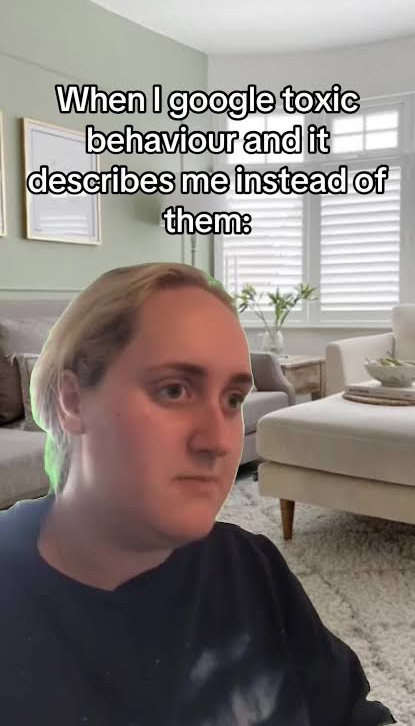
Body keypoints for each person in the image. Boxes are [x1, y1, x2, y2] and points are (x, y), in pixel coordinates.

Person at [0, 262, 394, 726]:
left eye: (232, 400)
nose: (219, 441)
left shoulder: (250, 565)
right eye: (174, 390)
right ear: (72, 401)